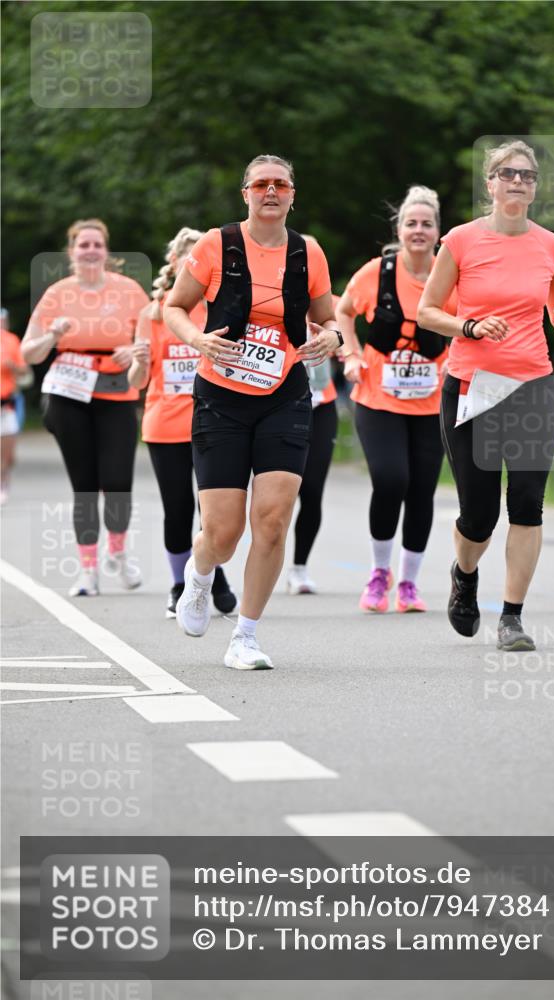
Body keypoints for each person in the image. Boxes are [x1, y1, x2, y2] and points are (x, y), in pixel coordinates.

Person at [164, 154, 341, 670]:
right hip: (221, 397)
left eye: (280, 184)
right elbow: (175, 307)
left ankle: (246, 634)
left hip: (284, 395)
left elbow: (328, 320)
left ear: (292, 194)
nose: (270, 191)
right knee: (223, 532)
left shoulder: (308, 252)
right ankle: (198, 579)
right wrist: (196, 338)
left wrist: (330, 338)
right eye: (261, 184)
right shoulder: (216, 244)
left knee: (272, 520)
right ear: (246, 193)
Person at [417, 139, 554, 651]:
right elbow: (427, 311)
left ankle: (511, 617)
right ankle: (465, 575)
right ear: (490, 184)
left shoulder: (552, 247)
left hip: (532, 385)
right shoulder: (461, 241)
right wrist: (467, 325)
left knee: (528, 503)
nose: (517, 181)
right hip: (471, 388)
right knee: (479, 514)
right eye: (507, 173)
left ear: (534, 188)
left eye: (527, 175)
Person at [336, 186, 453, 614]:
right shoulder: (376, 273)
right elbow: (344, 312)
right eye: (411, 223)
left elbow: (465, 325)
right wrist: (349, 354)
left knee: (422, 490)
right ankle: (379, 573)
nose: (418, 230)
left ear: (438, 231)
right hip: (377, 397)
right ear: (399, 229)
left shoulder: (450, 274)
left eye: (426, 224)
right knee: (390, 480)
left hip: (431, 402)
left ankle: (408, 583)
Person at [22, 219, 149, 596]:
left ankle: (119, 552)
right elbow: (30, 352)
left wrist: (134, 351)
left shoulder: (129, 291)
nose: (90, 250)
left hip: (115, 390)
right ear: (72, 251)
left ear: (106, 251)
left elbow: (149, 341)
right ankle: (88, 571)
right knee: (85, 486)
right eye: (83, 244)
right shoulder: (57, 293)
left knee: (117, 482)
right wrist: (53, 335)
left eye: (97, 244)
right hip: (68, 390)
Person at [128, 228, 237, 619]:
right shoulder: (155, 313)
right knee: (177, 509)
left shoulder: (222, 308)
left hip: (215, 423)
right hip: (165, 426)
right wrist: (140, 361)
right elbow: (137, 384)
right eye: (188, 258)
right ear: (175, 264)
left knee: (215, 513)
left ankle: (212, 575)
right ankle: (178, 583)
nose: (197, 265)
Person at [285, 240, 339, 596]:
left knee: (313, 491)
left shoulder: (325, 306)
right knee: (273, 495)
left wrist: (340, 344)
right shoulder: (268, 304)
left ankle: (300, 568)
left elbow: (342, 330)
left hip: (321, 405)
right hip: (281, 407)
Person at [1, 314, 29, 504]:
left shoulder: (11, 340)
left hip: (6, 404)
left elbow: (24, 371)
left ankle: (3, 483)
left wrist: (12, 367)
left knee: (8, 454)